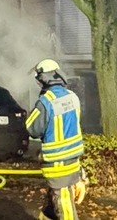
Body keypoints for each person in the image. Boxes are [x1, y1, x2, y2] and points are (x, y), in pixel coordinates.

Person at [26, 59, 85, 220]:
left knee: (65, 210)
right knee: (52, 206)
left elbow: (32, 128)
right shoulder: (73, 97)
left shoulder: (46, 102)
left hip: (57, 164)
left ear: (43, 78)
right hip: (73, 161)